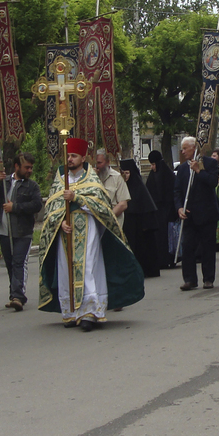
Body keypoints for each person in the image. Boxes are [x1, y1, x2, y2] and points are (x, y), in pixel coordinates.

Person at [38, 138, 144, 331]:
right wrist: (60, 222)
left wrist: (76, 197)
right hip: (65, 232)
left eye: (73, 156)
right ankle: (70, 312)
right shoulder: (60, 177)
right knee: (65, 269)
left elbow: (102, 206)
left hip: (88, 229)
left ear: (83, 157)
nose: (69, 159)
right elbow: (51, 206)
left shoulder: (91, 178)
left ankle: (90, 312)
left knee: (87, 268)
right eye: (68, 156)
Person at [0, 152, 43, 312]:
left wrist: (16, 207)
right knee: (10, 263)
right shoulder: (5, 182)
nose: (29, 170)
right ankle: (13, 294)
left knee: (19, 263)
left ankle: (18, 296)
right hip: (4, 230)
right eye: (27, 167)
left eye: (31, 168)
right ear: (17, 166)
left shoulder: (32, 186)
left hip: (23, 231)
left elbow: (36, 205)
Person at [175, 136, 219, 290]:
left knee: (208, 247)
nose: (182, 152)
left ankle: (208, 278)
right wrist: (179, 207)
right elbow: (177, 191)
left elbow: (213, 182)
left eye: (185, 148)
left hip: (206, 213)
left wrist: (199, 171)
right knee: (187, 247)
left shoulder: (210, 163)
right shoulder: (181, 169)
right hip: (189, 215)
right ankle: (189, 279)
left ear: (193, 148)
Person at [120, 158, 161, 278]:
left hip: (140, 226)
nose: (125, 176)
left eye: (127, 173)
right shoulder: (122, 187)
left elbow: (145, 206)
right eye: (123, 173)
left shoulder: (138, 187)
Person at [145, 150, 177, 269]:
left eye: (153, 164)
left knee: (166, 238)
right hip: (157, 212)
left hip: (167, 212)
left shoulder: (167, 175)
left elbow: (172, 193)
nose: (152, 167)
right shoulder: (152, 176)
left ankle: (168, 259)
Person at [96, 149, 130, 224]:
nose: (97, 166)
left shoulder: (117, 178)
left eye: (99, 163)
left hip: (113, 224)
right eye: (95, 163)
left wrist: (106, 218)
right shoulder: (90, 178)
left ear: (108, 162)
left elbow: (123, 204)